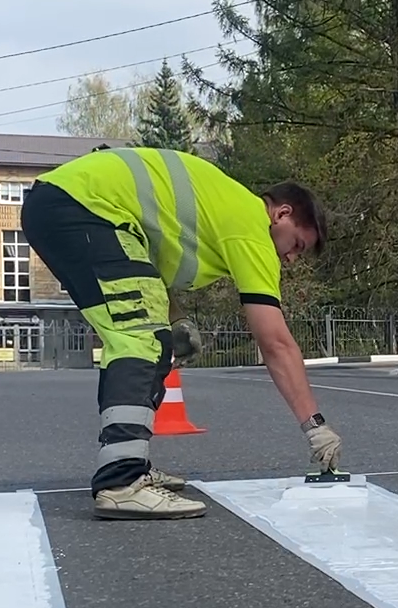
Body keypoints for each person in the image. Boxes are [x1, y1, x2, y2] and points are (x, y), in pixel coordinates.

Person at [21, 146, 343, 520]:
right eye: (297, 245)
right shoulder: (253, 227)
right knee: (141, 339)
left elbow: (147, 261)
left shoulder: (225, 206)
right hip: (82, 210)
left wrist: (175, 320)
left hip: (70, 207)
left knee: (156, 338)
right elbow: (275, 343)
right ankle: (121, 482)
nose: (290, 259)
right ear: (281, 214)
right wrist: (314, 426)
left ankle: (132, 465)